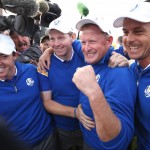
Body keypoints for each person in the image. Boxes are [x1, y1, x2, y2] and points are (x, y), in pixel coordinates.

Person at [71, 17, 137, 150]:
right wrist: (48, 52)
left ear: (109, 42)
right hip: (87, 139)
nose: (86, 48)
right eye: (83, 42)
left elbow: (119, 141)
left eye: (92, 42)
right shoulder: (91, 56)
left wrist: (93, 93)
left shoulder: (119, 73)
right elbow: (71, 42)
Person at [37, 17, 95, 150]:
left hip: (90, 126)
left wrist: (114, 56)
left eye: (61, 38)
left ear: (72, 37)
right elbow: (47, 102)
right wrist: (76, 113)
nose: (56, 43)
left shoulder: (84, 55)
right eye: (52, 38)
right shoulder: (45, 65)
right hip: (62, 128)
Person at [0, 34, 57, 150]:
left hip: (47, 139)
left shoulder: (31, 70)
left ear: (15, 55)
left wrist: (49, 51)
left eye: (3, 56)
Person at [113, 1, 150, 149]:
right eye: (125, 32)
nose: (129, 38)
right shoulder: (133, 67)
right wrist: (49, 51)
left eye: (138, 31)